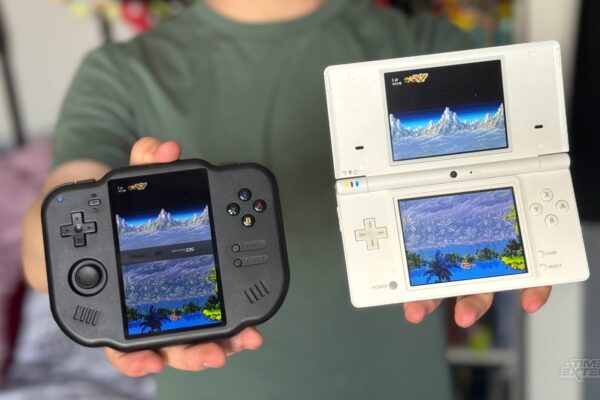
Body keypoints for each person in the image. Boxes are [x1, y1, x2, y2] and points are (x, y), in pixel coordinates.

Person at [21, 0, 552, 398]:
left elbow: (518, 175)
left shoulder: (434, 45)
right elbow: (48, 246)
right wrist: (109, 247)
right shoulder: (120, 73)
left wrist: (521, 219)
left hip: (397, 382)